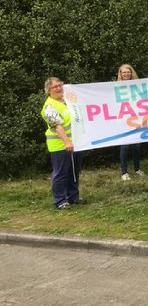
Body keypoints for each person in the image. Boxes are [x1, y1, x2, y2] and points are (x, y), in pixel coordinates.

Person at [41, 77, 85, 209]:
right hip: (60, 145)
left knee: (73, 171)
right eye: (55, 87)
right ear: (49, 90)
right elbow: (57, 126)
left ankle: (73, 196)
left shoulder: (68, 101)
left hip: (76, 143)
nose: (59, 88)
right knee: (61, 173)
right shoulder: (49, 107)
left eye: (60, 85)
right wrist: (67, 142)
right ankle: (60, 200)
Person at [117, 64, 144, 180]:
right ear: (120, 74)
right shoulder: (116, 87)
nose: (126, 74)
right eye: (124, 72)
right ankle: (124, 172)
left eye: (128, 72)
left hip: (136, 118)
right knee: (124, 146)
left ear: (131, 73)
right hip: (123, 120)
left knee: (136, 145)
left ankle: (137, 168)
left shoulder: (137, 86)